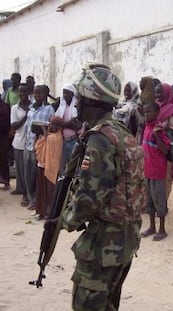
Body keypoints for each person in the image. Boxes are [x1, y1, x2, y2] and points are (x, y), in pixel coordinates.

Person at [62, 63, 144, 311]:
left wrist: (66, 219)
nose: (76, 103)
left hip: (103, 246)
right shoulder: (120, 133)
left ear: (93, 101)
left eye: (81, 98)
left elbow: (90, 196)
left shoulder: (100, 139)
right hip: (125, 240)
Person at [141, 102, 170, 241]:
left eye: (149, 112)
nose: (146, 115)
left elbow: (165, 150)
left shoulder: (159, 129)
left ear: (157, 113)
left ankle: (162, 229)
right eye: (144, 112)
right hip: (147, 170)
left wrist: (157, 135)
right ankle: (152, 226)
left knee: (159, 200)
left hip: (158, 171)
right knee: (149, 200)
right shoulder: (146, 127)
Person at [23, 85, 55, 210]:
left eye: (39, 93)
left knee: (38, 174)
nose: (37, 95)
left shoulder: (49, 109)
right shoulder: (30, 108)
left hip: (41, 146)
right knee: (28, 174)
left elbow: (52, 128)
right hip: (29, 144)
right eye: (35, 93)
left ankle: (37, 200)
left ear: (46, 94)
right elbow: (27, 126)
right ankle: (31, 198)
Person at [34, 116, 63, 219]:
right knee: (41, 191)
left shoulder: (57, 137)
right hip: (42, 165)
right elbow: (38, 145)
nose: (53, 127)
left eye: (56, 125)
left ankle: (49, 213)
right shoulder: (48, 135)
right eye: (52, 124)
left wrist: (43, 130)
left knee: (50, 192)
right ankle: (41, 212)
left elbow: (49, 140)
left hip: (51, 168)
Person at [54, 84, 82, 175]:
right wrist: (68, 123)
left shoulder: (76, 108)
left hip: (74, 140)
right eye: (64, 93)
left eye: (68, 93)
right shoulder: (62, 107)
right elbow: (55, 123)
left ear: (73, 94)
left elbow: (77, 126)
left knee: (74, 166)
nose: (65, 95)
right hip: (63, 141)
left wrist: (63, 124)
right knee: (63, 167)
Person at [10, 84, 30, 206]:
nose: (22, 94)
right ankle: (24, 194)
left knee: (30, 171)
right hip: (19, 143)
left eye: (24, 91)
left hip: (32, 144)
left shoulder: (34, 106)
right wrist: (26, 116)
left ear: (29, 93)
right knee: (21, 171)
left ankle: (29, 193)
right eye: (20, 92)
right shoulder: (14, 108)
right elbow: (14, 126)